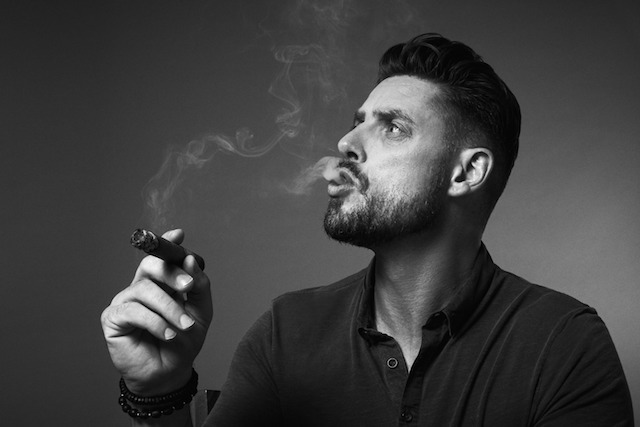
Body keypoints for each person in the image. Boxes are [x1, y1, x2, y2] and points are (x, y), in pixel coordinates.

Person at [101, 33, 634, 426]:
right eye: (358, 122)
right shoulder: (287, 332)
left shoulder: (563, 342)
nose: (346, 143)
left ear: (467, 172)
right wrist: (160, 390)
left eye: (393, 127)